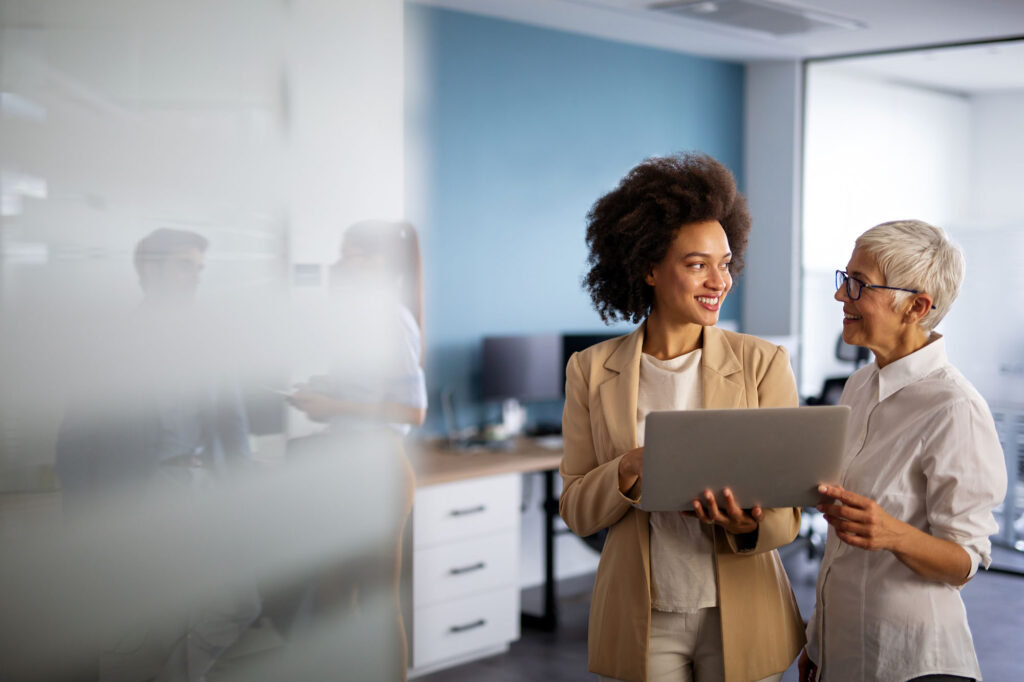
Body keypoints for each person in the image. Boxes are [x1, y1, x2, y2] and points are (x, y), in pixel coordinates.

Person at [559, 153, 805, 682]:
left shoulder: (763, 364)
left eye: (726, 261)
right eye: (698, 264)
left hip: (742, 603)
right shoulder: (590, 369)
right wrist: (629, 465)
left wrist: (748, 523)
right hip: (642, 614)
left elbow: (790, 511)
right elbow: (577, 510)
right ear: (649, 267)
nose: (720, 279)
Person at [797, 220, 1007, 682]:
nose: (840, 297)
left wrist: (891, 533)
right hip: (842, 651)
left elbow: (965, 562)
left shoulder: (955, 407)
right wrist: (818, 638)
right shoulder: (859, 385)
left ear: (917, 306)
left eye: (858, 285)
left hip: (913, 663)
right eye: (843, 278)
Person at [55, 228, 261, 682]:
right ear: (150, 269)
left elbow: (234, 425)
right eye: (186, 266)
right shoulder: (108, 342)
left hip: (205, 485)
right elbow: (73, 440)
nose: (196, 278)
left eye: (200, 269)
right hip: (143, 491)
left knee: (241, 601)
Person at [284, 220, 426, 680]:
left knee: (374, 608)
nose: (341, 262)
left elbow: (411, 410)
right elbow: (369, 397)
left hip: (378, 470)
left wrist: (332, 403)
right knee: (332, 605)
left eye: (352, 254)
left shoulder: (392, 318)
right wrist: (323, 400)